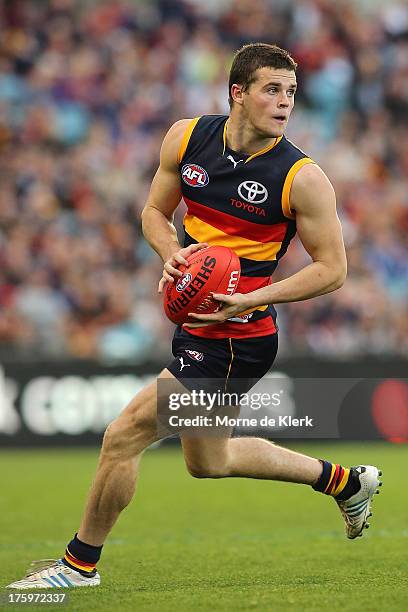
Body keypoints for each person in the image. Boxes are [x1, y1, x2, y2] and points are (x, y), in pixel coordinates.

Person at [7, 43, 382, 590]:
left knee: (123, 435)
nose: (284, 103)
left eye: (291, 93)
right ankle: (346, 482)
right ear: (238, 92)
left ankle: (77, 565)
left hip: (237, 336)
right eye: (272, 89)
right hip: (198, 322)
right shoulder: (187, 137)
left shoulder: (302, 177)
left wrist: (255, 298)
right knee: (209, 461)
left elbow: (332, 270)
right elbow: (155, 213)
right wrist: (171, 255)